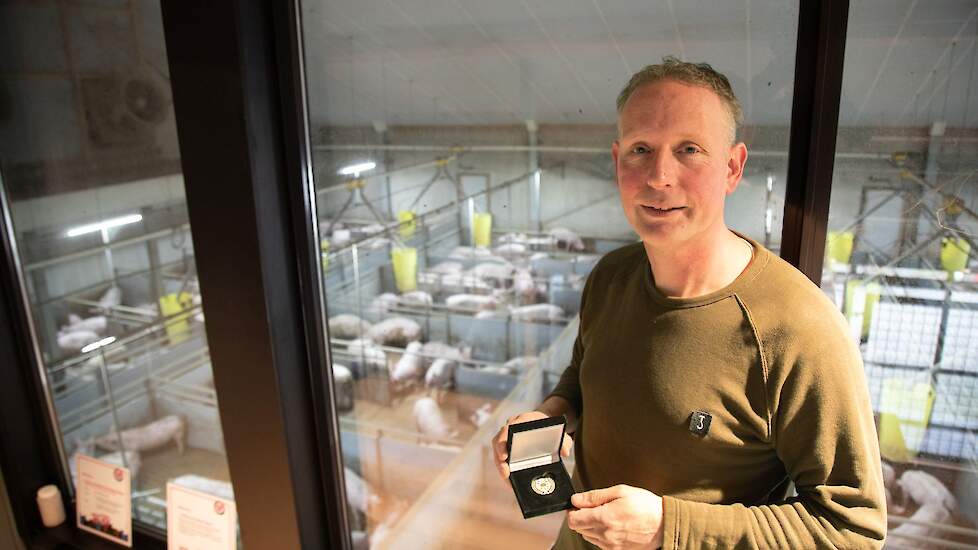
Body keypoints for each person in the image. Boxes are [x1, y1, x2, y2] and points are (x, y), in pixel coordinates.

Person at [491, 57, 886, 550]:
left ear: (732, 167)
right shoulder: (611, 276)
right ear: (617, 161)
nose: (659, 176)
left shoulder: (799, 327)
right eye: (641, 149)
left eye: (689, 150)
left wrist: (668, 528)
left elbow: (853, 529)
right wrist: (549, 417)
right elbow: (584, 376)